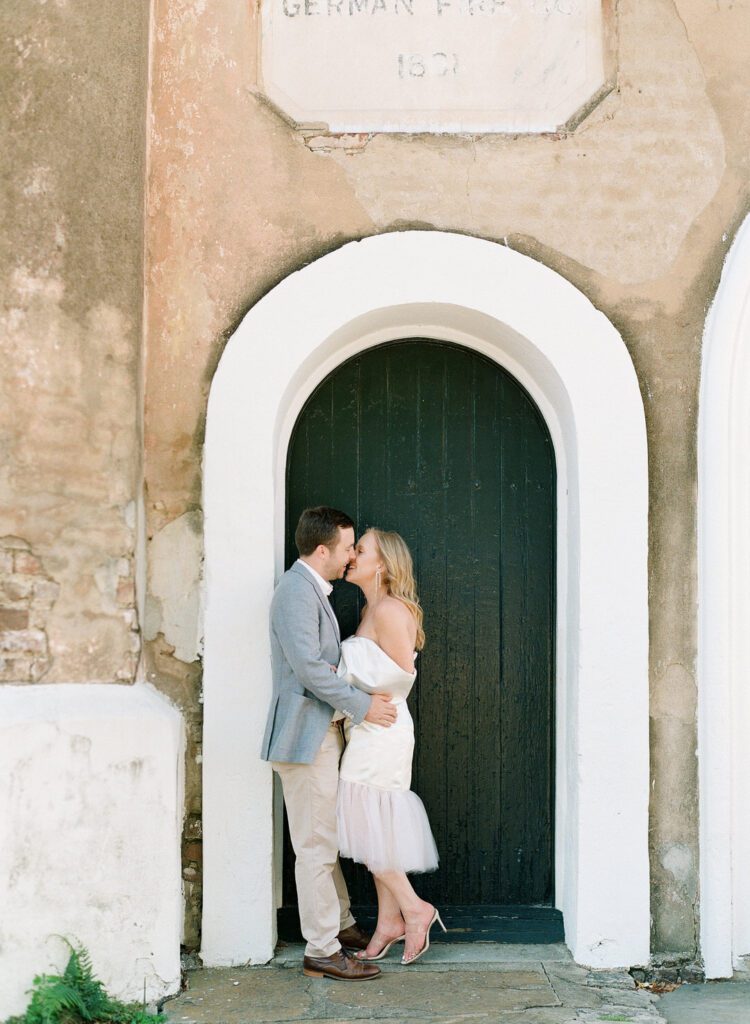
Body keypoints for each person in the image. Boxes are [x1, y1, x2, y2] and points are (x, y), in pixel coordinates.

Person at [260, 506, 398, 982]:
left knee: (326, 840)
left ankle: (339, 927)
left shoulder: (311, 590)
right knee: (316, 845)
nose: (348, 556)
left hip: (321, 737)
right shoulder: (295, 593)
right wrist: (363, 705)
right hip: (304, 740)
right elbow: (310, 670)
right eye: (345, 547)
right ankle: (321, 949)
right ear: (323, 550)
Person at [336, 528, 446, 965]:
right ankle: (389, 922)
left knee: (365, 824)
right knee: (373, 826)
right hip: (367, 728)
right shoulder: (370, 608)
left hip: (384, 730)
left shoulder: (391, 609)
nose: (352, 556)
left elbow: (402, 676)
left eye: (360, 550)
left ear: (381, 563)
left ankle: (416, 908)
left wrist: (355, 693)